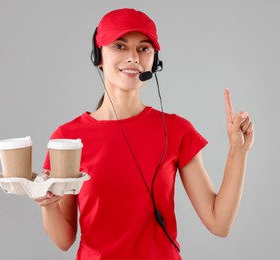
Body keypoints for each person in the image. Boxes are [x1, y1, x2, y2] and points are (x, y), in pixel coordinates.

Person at [34, 8, 254, 260]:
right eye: (119, 46)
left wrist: (239, 151)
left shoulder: (176, 130)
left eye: (144, 48)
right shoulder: (68, 138)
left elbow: (219, 223)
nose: (133, 57)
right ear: (98, 56)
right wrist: (49, 206)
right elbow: (64, 240)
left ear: (154, 60)